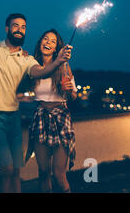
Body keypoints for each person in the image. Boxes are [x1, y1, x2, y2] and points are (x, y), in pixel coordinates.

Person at [0, 13, 72, 193]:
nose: (19, 29)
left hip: (39, 117)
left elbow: (47, 76)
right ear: (7, 28)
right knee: (30, 171)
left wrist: (61, 68)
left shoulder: (43, 63)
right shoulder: (3, 51)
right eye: (15, 25)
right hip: (18, 117)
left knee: (47, 174)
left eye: (23, 27)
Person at [25, 29, 77, 193]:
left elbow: (73, 96)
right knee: (43, 173)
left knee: (59, 174)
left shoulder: (64, 66)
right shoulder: (32, 65)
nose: (48, 42)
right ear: (40, 42)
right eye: (45, 39)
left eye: (52, 41)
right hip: (41, 118)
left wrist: (69, 90)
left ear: (57, 48)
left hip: (61, 118)